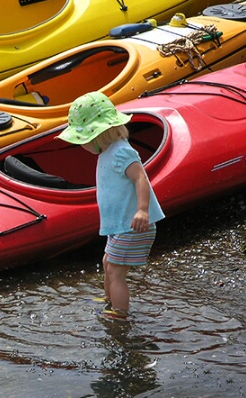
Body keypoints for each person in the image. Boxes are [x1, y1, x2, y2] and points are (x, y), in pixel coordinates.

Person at [57, 92, 164, 321]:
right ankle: (109, 301)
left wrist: (143, 210)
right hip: (119, 225)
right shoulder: (108, 151)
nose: (82, 146)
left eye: (83, 140)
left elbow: (140, 178)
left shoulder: (122, 151)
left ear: (99, 134)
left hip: (133, 225)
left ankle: (119, 314)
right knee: (108, 263)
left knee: (116, 271)